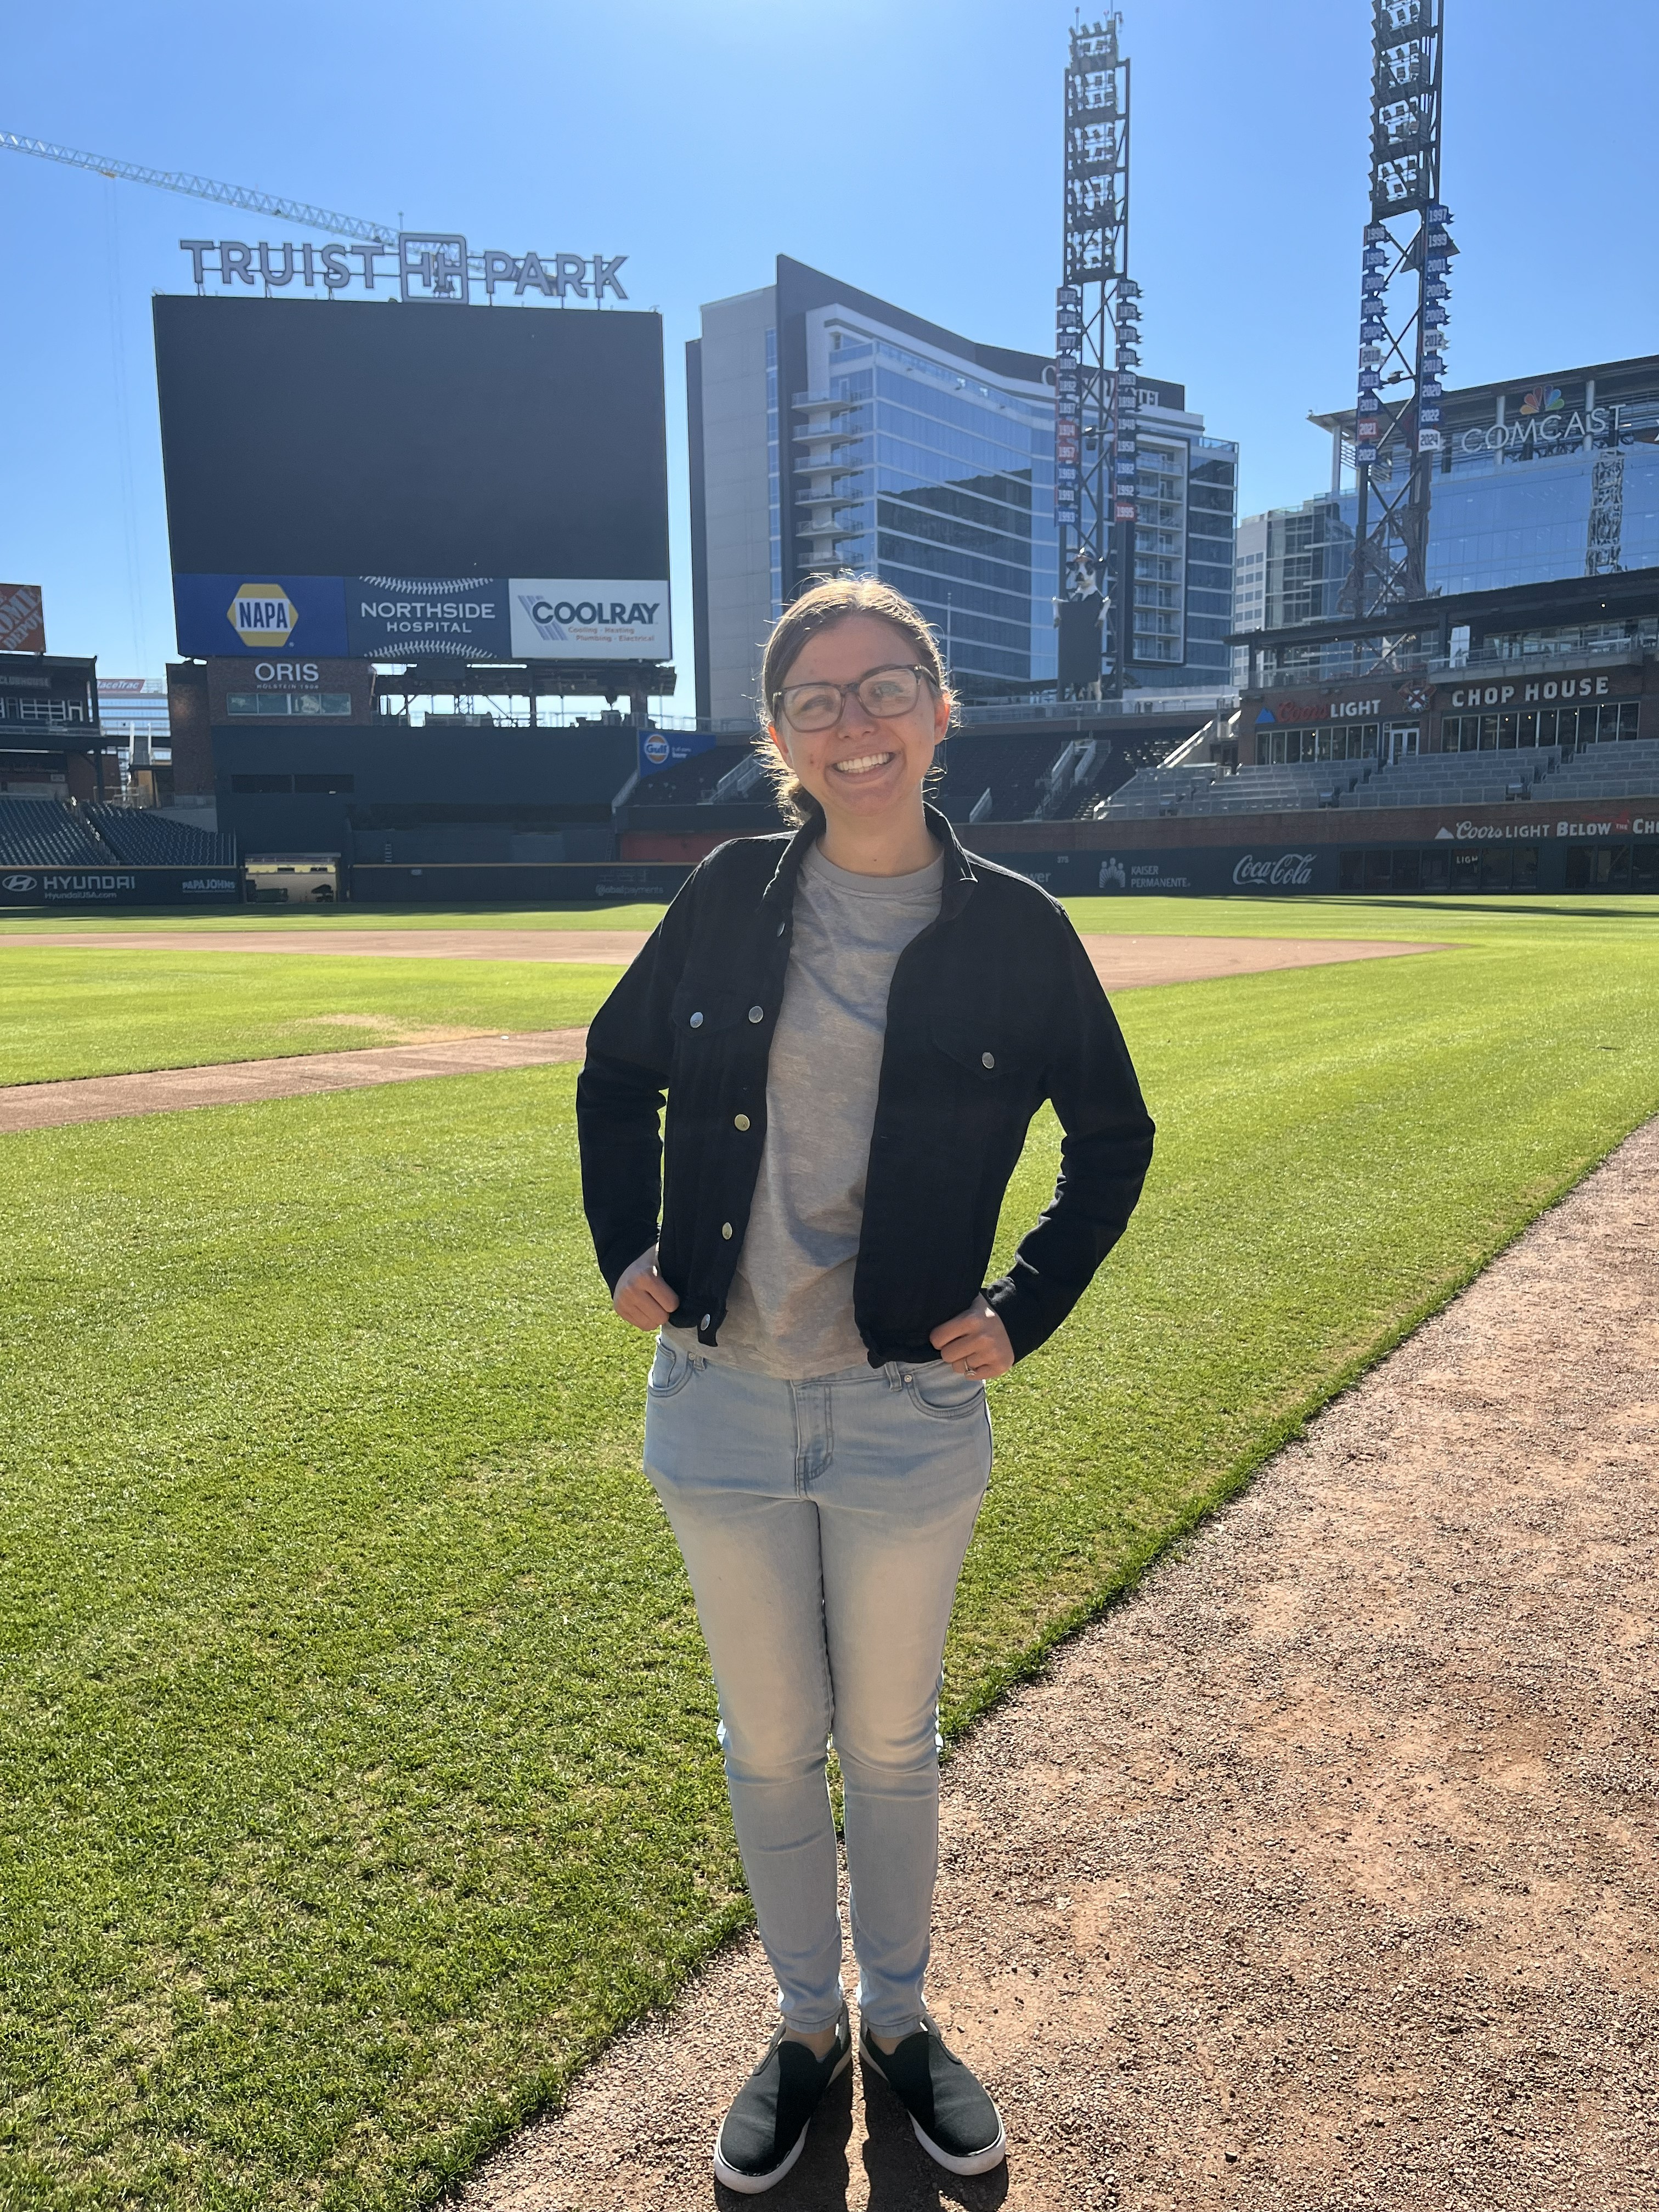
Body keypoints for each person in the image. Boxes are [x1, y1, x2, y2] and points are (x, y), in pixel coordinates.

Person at [577, 577, 1154, 2192]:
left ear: (940, 710)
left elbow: (1113, 1138)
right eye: (817, 700)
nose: (856, 723)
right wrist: (624, 1244)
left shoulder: (1021, 932)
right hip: (721, 1396)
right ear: (780, 736)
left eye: (886, 687)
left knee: (890, 1744)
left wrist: (1027, 1305)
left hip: (908, 1409)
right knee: (771, 1743)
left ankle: (899, 2020)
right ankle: (806, 2025)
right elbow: (616, 1078)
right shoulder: (725, 896)